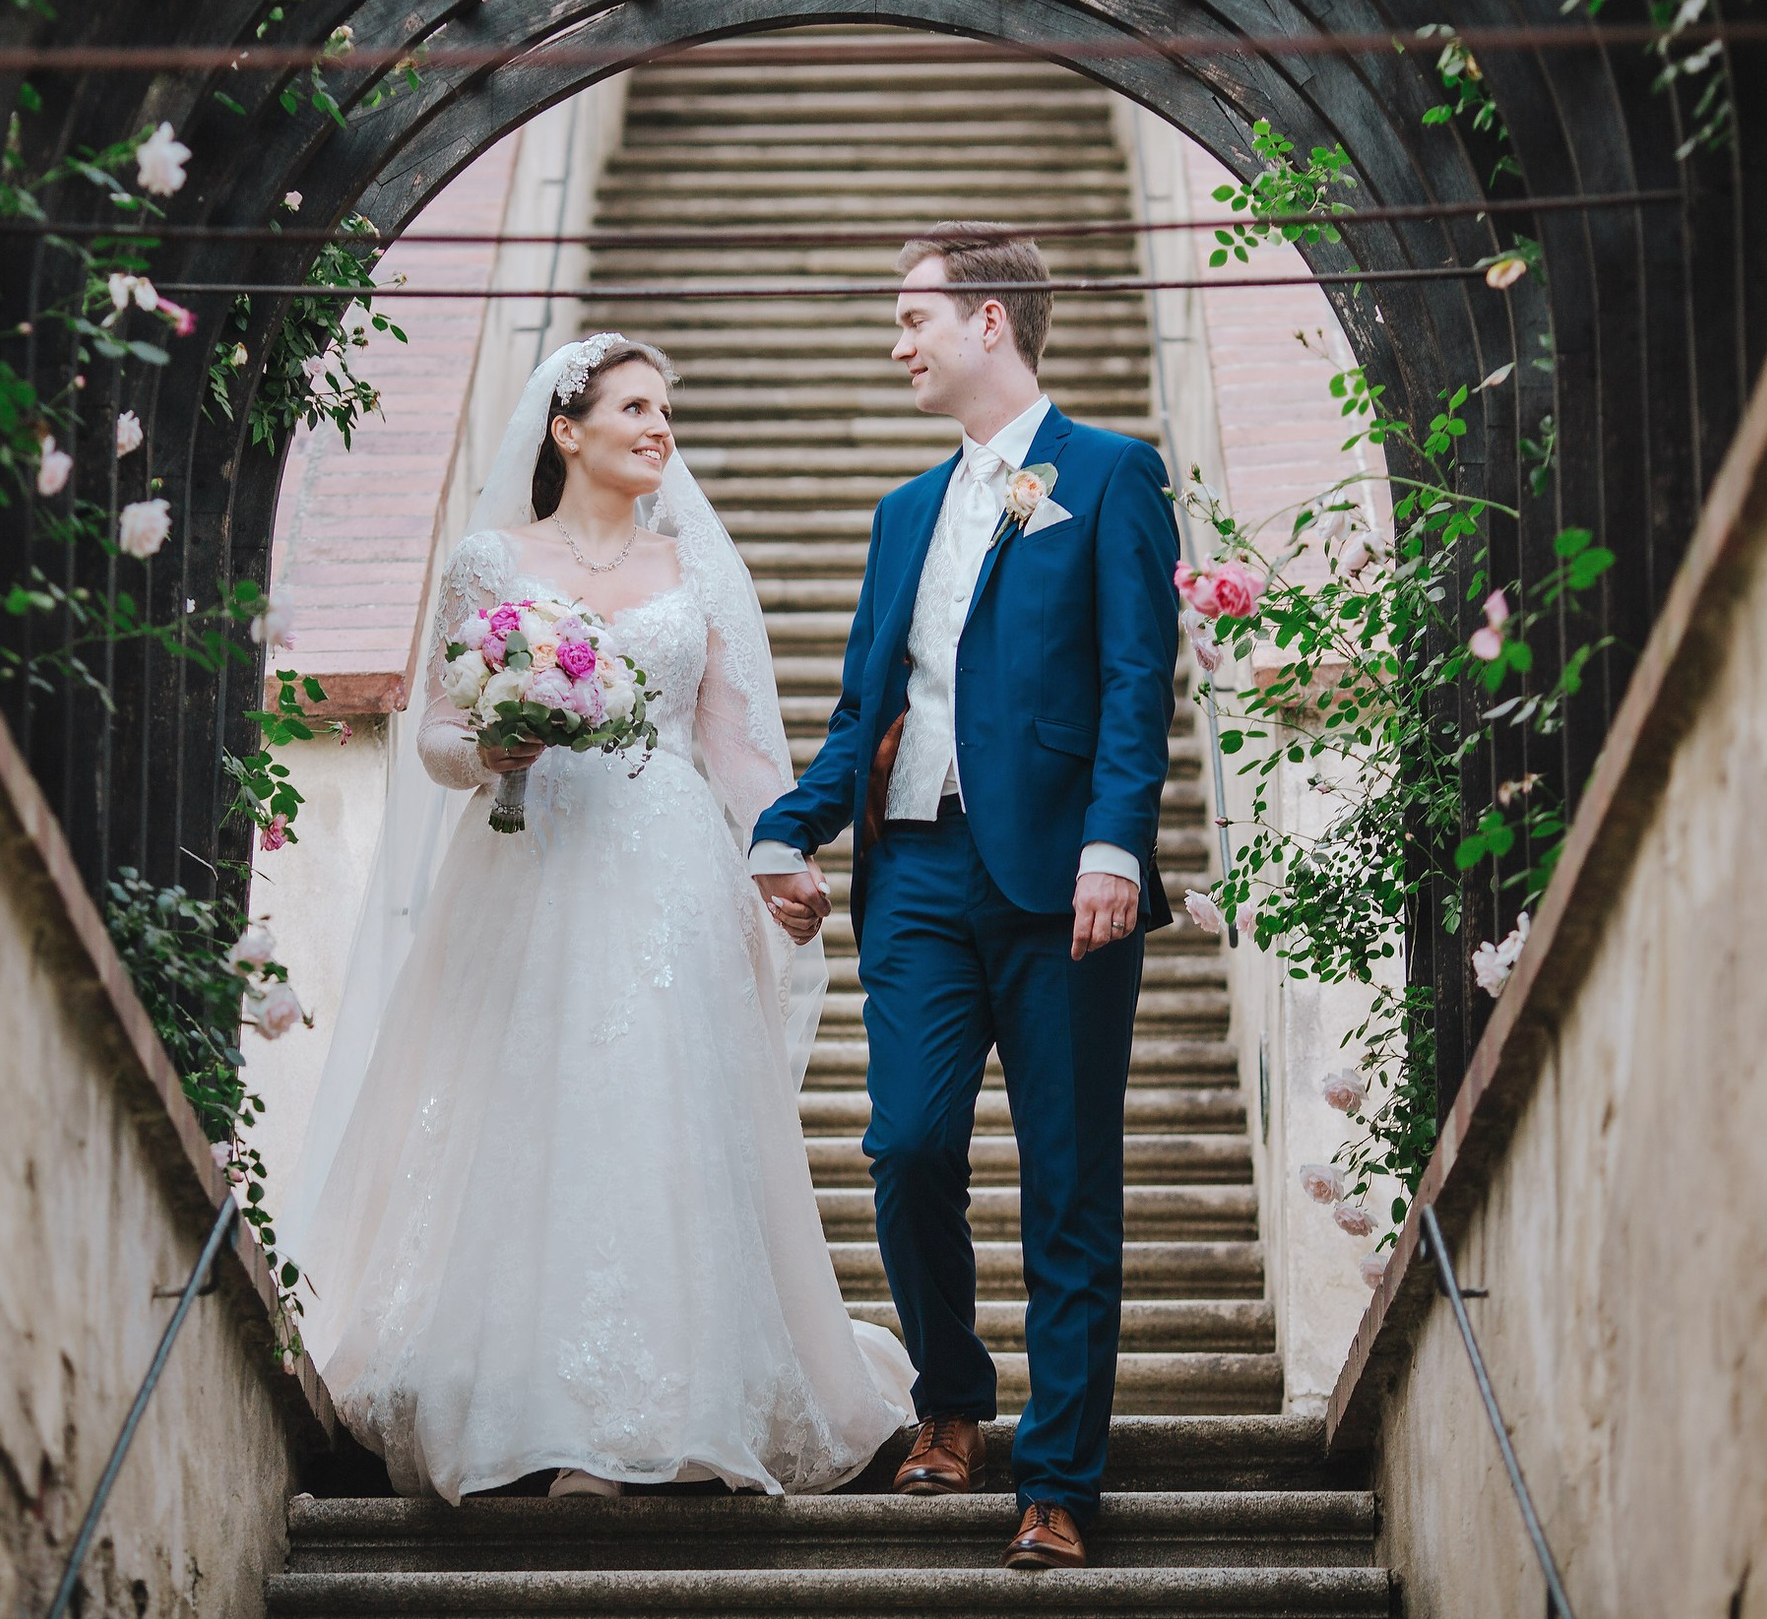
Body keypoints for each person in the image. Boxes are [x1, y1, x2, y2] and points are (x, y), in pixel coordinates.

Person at [282, 334, 914, 1503]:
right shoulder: (491, 562)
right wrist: (490, 747)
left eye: (665, 409)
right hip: (528, 861)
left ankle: (669, 1408)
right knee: (525, 1107)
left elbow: (734, 746)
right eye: (634, 407)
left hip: (668, 865)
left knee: (658, 1111)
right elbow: (435, 735)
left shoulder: (694, 568)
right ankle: (529, 1402)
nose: (658, 426)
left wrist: (778, 855)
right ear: (566, 431)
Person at [749, 225, 1180, 1570]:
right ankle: (949, 1397)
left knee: (1067, 1179)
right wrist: (787, 823)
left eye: (911, 318)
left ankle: (1058, 1480)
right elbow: (862, 711)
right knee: (909, 1144)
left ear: (988, 320)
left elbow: (1136, 680)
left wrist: (1116, 844)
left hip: (1062, 882)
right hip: (919, 874)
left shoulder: (1110, 476)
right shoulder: (901, 515)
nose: (897, 345)